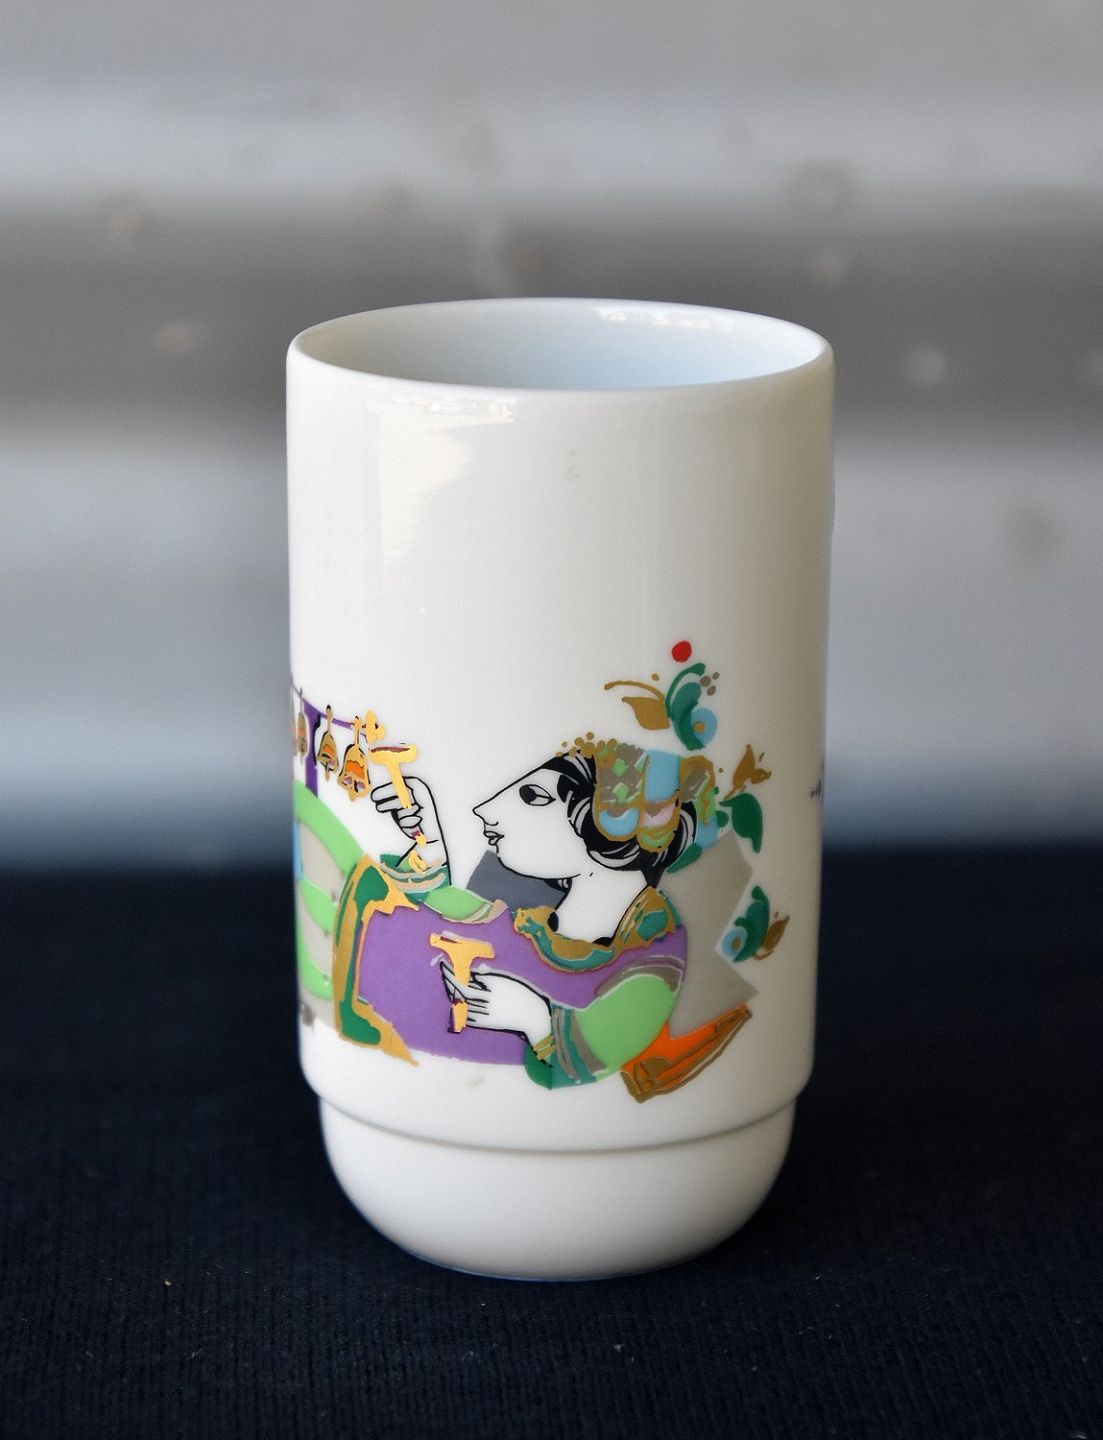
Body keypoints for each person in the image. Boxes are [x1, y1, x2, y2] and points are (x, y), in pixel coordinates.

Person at [331, 742, 708, 1088]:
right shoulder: (535, 920)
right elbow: (472, 916)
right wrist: (429, 843)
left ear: (611, 828)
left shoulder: (653, 952)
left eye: (533, 796)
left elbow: (615, 1047)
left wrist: (535, 1019)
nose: (484, 810)